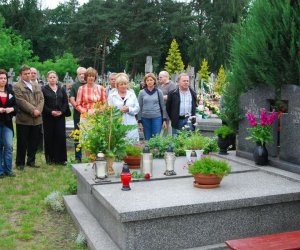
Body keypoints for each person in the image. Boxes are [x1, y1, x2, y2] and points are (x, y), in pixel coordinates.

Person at [14, 65, 44, 169]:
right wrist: (33, 110)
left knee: (34, 142)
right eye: (25, 74)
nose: (28, 75)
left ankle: (31, 161)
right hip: (24, 119)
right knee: (22, 142)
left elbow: (41, 99)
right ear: (20, 75)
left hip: (37, 119)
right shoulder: (17, 86)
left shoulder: (36, 85)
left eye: (29, 73)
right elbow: (20, 101)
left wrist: (38, 110)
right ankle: (20, 163)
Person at [42, 71, 69, 165]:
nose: (52, 79)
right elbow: (42, 104)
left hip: (60, 117)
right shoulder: (43, 89)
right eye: (50, 77)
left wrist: (61, 111)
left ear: (57, 78)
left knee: (60, 136)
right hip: (48, 117)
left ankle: (61, 159)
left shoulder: (61, 89)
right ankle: (50, 159)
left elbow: (65, 101)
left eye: (54, 77)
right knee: (49, 137)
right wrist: (50, 111)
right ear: (47, 79)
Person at [108, 73, 140, 141]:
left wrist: (129, 109)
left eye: (125, 84)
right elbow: (109, 110)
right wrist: (119, 110)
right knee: (119, 144)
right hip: (117, 123)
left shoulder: (132, 94)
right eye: (121, 84)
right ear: (117, 85)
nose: (123, 86)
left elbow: (137, 108)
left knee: (132, 144)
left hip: (131, 123)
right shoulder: (112, 95)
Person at [138, 73, 167, 140]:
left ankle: (156, 150)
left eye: (151, 80)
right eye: (147, 80)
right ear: (145, 82)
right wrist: (139, 121)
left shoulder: (158, 92)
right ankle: (148, 150)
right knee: (147, 138)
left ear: (154, 81)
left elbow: (163, 106)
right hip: (145, 118)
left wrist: (164, 119)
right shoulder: (141, 92)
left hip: (157, 118)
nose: (149, 82)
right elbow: (139, 107)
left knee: (156, 138)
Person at [0, 69, 17, 178]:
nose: (3, 80)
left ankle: (8, 169)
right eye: (1, 78)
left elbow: (17, 107)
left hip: (7, 123)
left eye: (4, 78)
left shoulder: (10, 91)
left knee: (9, 146)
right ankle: (0, 171)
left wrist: (11, 109)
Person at [69, 67, 86, 162]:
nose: (82, 75)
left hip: (90, 115)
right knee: (78, 134)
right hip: (78, 114)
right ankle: (78, 157)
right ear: (77, 75)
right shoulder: (75, 86)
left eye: (84, 73)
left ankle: (92, 155)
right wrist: (79, 108)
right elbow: (71, 99)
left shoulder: (91, 84)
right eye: (80, 74)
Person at [157, 71, 176, 135]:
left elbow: (172, 96)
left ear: (166, 77)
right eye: (159, 77)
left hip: (167, 109)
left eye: (160, 77)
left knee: (166, 127)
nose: (159, 78)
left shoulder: (171, 84)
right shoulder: (158, 84)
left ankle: (165, 140)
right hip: (158, 109)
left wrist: (160, 97)